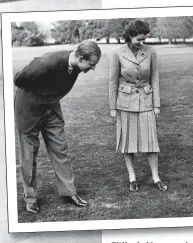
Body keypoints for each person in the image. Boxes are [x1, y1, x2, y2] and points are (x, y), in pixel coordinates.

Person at [14, 39, 101, 213]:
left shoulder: (75, 65)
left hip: (51, 108)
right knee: (28, 156)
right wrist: (39, 94)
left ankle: (69, 192)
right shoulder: (45, 63)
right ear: (80, 57)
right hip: (29, 109)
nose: (92, 69)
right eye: (91, 64)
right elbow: (19, 79)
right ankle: (30, 198)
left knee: (61, 149)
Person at [109, 20, 167, 192]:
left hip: (146, 100)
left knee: (151, 142)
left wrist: (156, 105)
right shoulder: (117, 53)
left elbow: (154, 78)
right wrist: (113, 107)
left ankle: (156, 178)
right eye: (139, 39)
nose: (142, 42)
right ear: (130, 36)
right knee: (127, 142)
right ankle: (132, 178)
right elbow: (112, 81)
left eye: (144, 39)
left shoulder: (151, 52)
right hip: (124, 103)